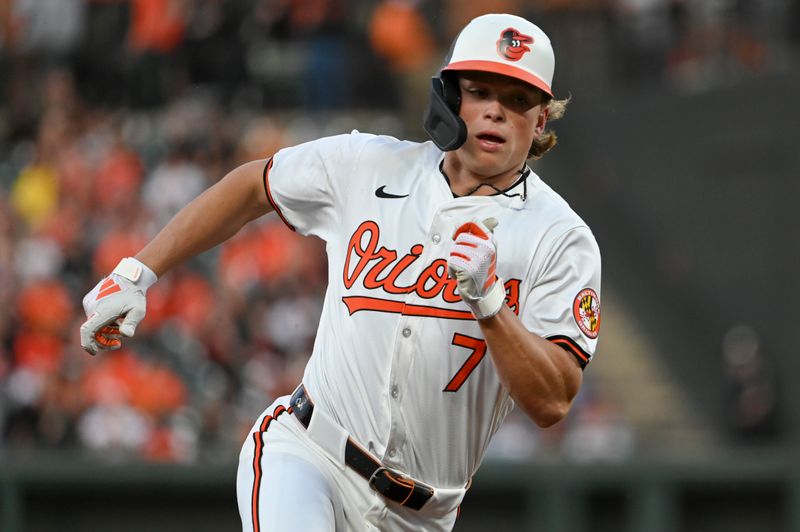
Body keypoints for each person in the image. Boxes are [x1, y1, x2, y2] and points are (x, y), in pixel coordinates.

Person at [79, 13, 601, 531]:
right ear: (450, 97)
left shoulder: (559, 237)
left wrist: (490, 304)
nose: (495, 112)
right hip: (310, 455)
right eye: (481, 91)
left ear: (541, 120)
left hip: (421, 516)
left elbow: (553, 399)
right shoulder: (368, 165)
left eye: (517, 100)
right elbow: (252, 186)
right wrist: (138, 271)